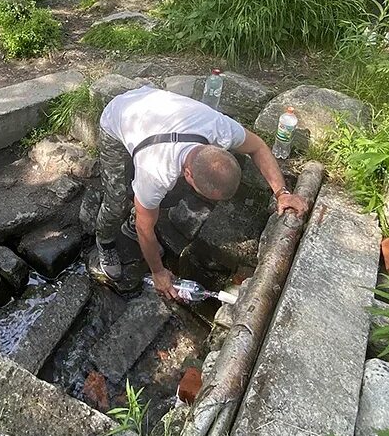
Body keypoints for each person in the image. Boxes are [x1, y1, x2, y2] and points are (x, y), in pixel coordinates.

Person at [92, 86, 309, 300]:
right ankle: (105, 242)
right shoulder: (156, 173)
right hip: (120, 116)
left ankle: (133, 218)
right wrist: (158, 272)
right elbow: (145, 226)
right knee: (116, 201)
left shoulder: (219, 129)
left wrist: (282, 192)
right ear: (188, 173)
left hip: (153, 113)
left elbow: (258, 147)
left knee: (168, 197)